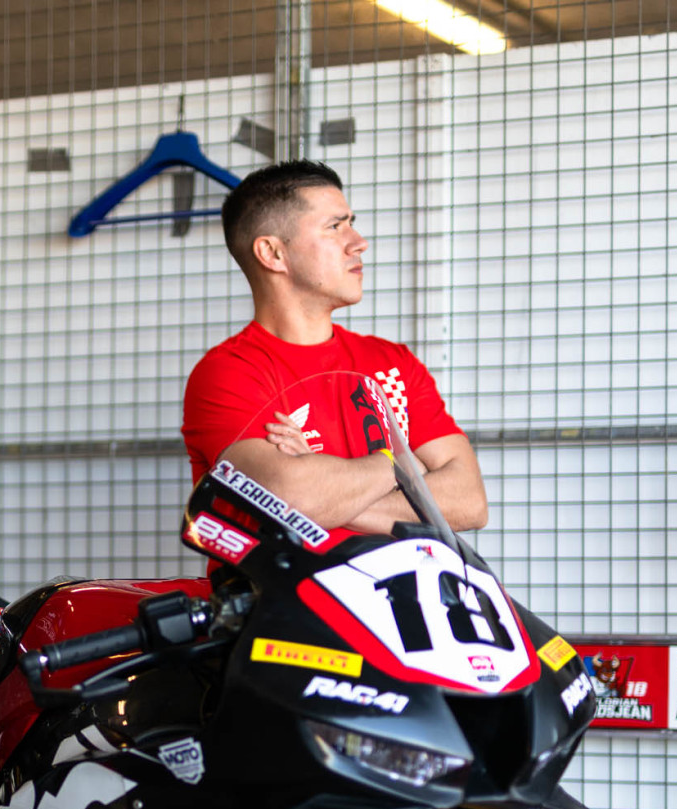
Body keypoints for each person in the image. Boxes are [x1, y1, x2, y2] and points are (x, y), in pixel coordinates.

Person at [182, 160, 487, 539]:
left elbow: (469, 502)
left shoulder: (394, 363)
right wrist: (404, 465)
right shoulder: (229, 373)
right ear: (272, 253)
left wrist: (326, 484)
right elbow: (288, 500)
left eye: (351, 223)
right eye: (335, 227)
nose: (359, 242)